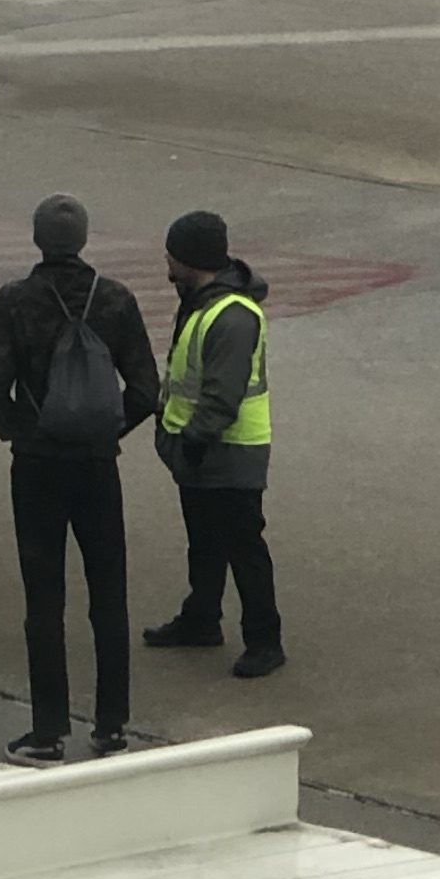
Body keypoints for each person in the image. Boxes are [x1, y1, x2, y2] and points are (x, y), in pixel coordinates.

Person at [0, 193, 160, 762]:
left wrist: (24, 433)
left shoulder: (14, 301)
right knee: (109, 595)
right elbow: (146, 390)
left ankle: (48, 730)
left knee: (43, 599)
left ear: (37, 240)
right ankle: (112, 726)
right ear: (83, 239)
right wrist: (106, 430)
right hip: (98, 466)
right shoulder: (115, 299)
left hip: (37, 468)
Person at [144, 208, 284, 678]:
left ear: (191, 259)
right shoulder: (201, 300)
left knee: (244, 547)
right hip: (201, 448)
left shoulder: (232, 317)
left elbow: (223, 395)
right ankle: (202, 617)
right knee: (204, 542)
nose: (166, 261)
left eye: (171, 254)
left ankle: (265, 640)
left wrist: (192, 440)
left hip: (228, 451)